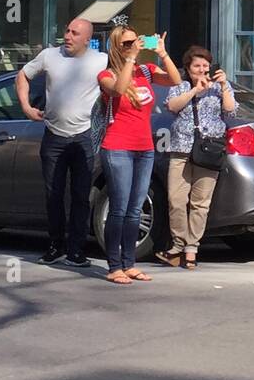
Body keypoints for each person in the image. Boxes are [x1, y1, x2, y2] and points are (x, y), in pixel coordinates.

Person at [16, 17, 108, 267]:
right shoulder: (49, 55)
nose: (67, 36)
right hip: (54, 136)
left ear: (87, 39)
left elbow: (123, 82)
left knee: (81, 196)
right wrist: (26, 107)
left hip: (85, 137)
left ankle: (76, 250)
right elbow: (23, 75)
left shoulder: (101, 60)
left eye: (74, 33)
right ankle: (55, 245)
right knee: (53, 194)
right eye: (67, 30)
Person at [97, 27, 181, 285]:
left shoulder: (146, 71)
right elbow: (119, 90)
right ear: (117, 48)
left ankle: (130, 263)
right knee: (119, 208)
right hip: (117, 147)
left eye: (136, 40)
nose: (134, 45)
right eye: (127, 43)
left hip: (144, 147)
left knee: (136, 209)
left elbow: (176, 80)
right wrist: (131, 59)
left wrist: (163, 54)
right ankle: (114, 266)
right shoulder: (106, 74)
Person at [155, 46, 237, 269]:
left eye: (205, 66)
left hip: (209, 150)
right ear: (188, 69)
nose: (202, 70)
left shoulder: (221, 87)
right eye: (197, 66)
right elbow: (172, 107)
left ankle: (192, 248)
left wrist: (222, 86)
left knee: (201, 203)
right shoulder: (179, 86)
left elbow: (230, 110)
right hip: (181, 148)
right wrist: (194, 92)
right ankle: (178, 244)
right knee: (176, 199)